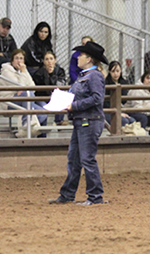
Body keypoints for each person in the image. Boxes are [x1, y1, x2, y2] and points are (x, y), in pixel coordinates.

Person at [48, 41, 108, 206]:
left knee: (86, 159)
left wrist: (73, 106)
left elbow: (97, 98)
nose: (78, 57)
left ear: (89, 59)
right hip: (83, 121)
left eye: (81, 55)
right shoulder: (87, 75)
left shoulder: (93, 76)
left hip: (89, 121)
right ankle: (68, 194)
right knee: (75, 159)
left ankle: (95, 196)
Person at [0, 49, 48, 137]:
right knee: (27, 93)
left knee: (43, 112)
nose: (19, 61)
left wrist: (24, 72)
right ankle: (26, 122)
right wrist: (23, 74)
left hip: (24, 100)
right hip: (9, 101)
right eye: (16, 58)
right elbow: (20, 87)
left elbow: (32, 87)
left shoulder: (23, 70)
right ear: (12, 60)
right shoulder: (6, 71)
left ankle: (39, 139)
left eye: (21, 58)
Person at [32, 50, 67, 125]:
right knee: (43, 109)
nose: (49, 61)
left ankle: (58, 122)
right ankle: (43, 132)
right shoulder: (38, 73)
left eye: (51, 59)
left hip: (55, 96)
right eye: (47, 59)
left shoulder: (60, 71)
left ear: (55, 60)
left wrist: (52, 75)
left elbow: (60, 85)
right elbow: (42, 89)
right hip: (42, 98)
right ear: (43, 61)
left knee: (62, 100)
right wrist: (46, 75)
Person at [104, 60, 137, 127]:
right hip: (108, 111)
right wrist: (118, 113)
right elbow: (106, 104)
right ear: (109, 72)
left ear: (121, 71)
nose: (115, 74)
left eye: (117, 71)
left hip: (121, 110)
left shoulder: (124, 82)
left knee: (133, 121)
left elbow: (124, 100)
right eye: (113, 71)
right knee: (124, 121)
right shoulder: (106, 84)